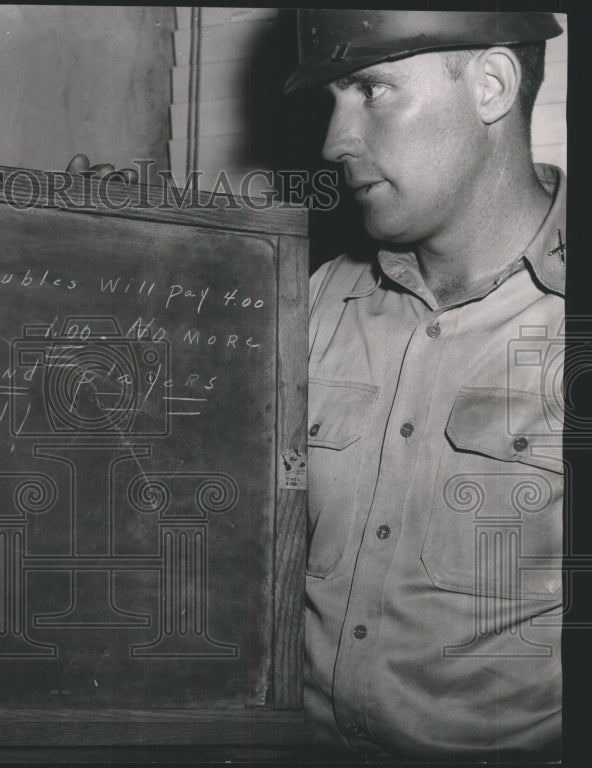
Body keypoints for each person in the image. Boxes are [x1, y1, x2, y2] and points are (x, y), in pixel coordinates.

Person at [286, 10, 565, 761]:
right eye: (332, 101)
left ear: (491, 85)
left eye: (372, 90)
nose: (333, 143)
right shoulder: (313, 303)